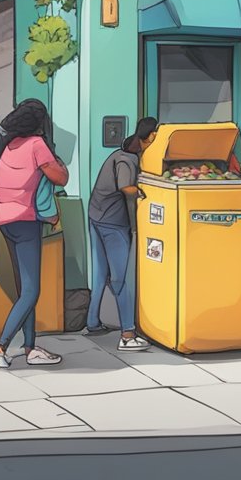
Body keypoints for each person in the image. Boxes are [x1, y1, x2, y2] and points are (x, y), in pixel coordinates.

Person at [0, 100, 68, 368]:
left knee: (25, 288)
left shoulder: (10, 146)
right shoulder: (36, 145)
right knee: (32, 290)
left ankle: (30, 347)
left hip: (5, 220)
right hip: (25, 221)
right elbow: (60, 177)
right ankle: (1, 346)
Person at [85, 117, 157, 351]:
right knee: (121, 278)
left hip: (96, 215)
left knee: (100, 273)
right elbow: (126, 187)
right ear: (148, 138)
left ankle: (93, 322)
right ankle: (127, 334)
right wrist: (148, 192)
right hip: (112, 223)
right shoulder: (127, 160)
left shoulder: (122, 151)